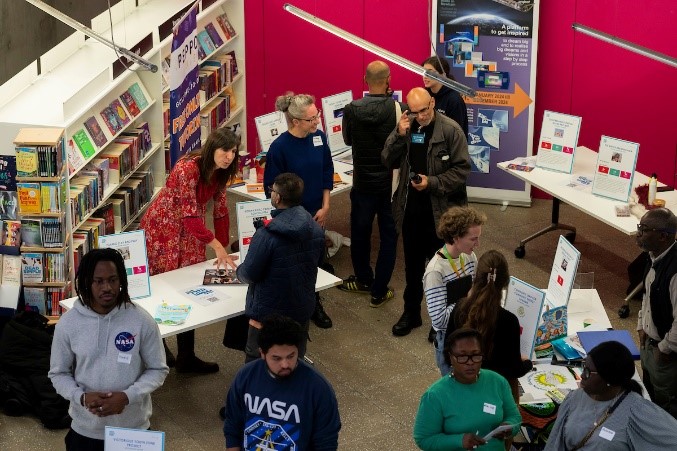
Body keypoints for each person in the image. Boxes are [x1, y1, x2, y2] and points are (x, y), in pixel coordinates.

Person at [140, 127, 239, 374]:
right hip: (164, 227)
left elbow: (220, 209)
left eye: (234, 151)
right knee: (162, 286)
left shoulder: (222, 172)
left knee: (188, 287)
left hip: (190, 229)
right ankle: (159, 345)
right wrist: (216, 245)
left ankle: (186, 356)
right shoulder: (188, 169)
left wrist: (225, 248)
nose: (229, 156)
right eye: (225, 150)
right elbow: (189, 215)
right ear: (212, 149)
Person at [49, 248, 168, 450]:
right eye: (99, 281)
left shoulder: (141, 320)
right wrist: (82, 397)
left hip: (133, 431)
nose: (107, 287)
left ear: (121, 280)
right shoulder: (68, 324)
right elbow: (58, 373)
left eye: (113, 280)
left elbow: (158, 369)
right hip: (85, 430)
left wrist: (127, 397)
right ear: (87, 282)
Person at [382, 86, 470, 337]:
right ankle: (411, 312)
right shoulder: (407, 126)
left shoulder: (451, 130)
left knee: (441, 267)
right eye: (414, 111)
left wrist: (431, 183)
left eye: (425, 110)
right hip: (411, 209)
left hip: (441, 212)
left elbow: (462, 171)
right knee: (412, 266)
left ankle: (440, 320)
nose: (420, 116)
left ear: (432, 103)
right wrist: (399, 134)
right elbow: (387, 159)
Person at [236, 173, 325, 363]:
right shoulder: (316, 229)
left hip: (267, 315)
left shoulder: (266, 235)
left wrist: (238, 271)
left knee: (257, 364)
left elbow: (249, 274)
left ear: (277, 197)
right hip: (300, 312)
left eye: (272, 191)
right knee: (293, 361)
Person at [264, 93, 334, 329]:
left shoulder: (319, 138)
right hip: (293, 219)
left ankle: (315, 303)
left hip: (317, 214)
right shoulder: (279, 147)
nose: (317, 122)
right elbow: (271, 189)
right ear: (295, 121)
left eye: (317, 116)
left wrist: (326, 206)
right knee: (295, 265)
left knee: (316, 261)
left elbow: (326, 170)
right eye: (312, 119)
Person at [223, 314, 341, 450]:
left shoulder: (318, 388)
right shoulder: (245, 377)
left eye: (291, 356)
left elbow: (326, 442)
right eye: (276, 358)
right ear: (262, 353)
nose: (285, 364)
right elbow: (232, 425)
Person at [338, 60, 402, 307]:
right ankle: (379, 290)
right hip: (389, 185)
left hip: (362, 182)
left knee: (360, 233)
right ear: (389, 79)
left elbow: (347, 140)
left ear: (365, 80)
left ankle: (363, 279)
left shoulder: (351, 108)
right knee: (389, 237)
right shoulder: (399, 109)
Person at [545, 340, 677, 450]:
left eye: (588, 371)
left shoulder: (637, 411)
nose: (582, 376)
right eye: (583, 367)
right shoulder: (574, 398)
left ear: (609, 379)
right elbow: (555, 443)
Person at [413, 328, 521, 451]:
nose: (470, 363)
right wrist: (459, 441)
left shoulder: (497, 382)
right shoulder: (435, 395)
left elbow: (514, 416)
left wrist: (509, 427)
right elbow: (423, 439)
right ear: (451, 357)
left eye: (475, 355)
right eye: (462, 356)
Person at [448, 250, 532, 399]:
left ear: (476, 277)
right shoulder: (509, 321)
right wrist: (527, 363)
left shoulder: (459, 309)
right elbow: (514, 369)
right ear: (505, 283)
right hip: (494, 396)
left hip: (462, 390)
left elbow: (446, 351)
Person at [424, 206, 485, 375]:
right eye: (473, 239)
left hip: (469, 330)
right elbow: (439, 320)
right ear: (456, 237)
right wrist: (468, 300)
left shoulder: (469, 256)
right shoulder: (435, 271)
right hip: (450, 343)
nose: (477, 244)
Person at [635, 207, 677, 418]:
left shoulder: (675, 271)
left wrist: (664, 349)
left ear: (663, 236)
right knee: (649, 398)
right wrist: (641, 325)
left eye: (644, 229)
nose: (638, 234)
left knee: (666, 410)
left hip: (665, 356)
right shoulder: (652, 257)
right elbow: (647, 295)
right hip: (648, 345)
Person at [422, 55, 469, 136]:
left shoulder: (454, 99)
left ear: (443, 75)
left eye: (430, 72)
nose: (425, 76)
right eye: (424, 72)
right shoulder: (424, 95)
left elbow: (456, 134)